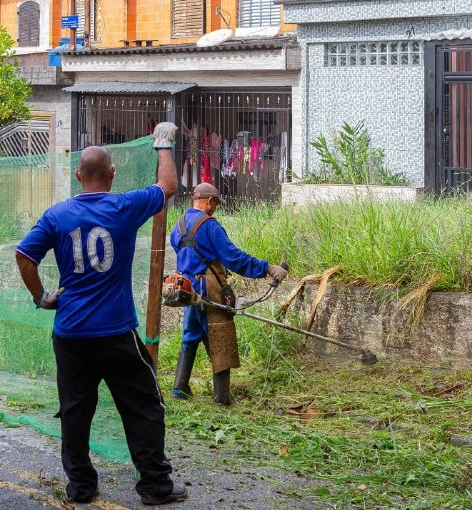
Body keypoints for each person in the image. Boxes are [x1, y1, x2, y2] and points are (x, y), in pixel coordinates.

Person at [15, 123, 187, 506]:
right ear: (112, 174)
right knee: (144, 405)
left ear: (78, 176)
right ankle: (155, 486)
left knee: (76, 412)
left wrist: (42, 297)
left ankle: (81, 487)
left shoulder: (56, 215)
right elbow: (169, 187)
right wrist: (162, 144)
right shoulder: (124, 206)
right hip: (114, 334)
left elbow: (24, 255)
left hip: (71, 333)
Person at [169, 183, 287, 405]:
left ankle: (180, 387)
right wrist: (268, 268)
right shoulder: (210, 226)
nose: (215, 208)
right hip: (210, 290)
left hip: (187, 290)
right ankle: (222, 398)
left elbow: (180, 251)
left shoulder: (178, 225)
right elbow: (234, 257)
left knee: (191, 334)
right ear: (208, 201)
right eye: (214, 203)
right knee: (220, 336)